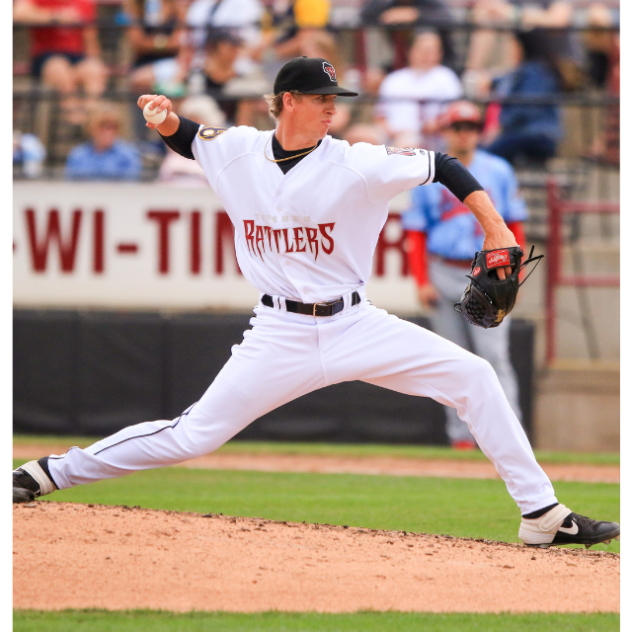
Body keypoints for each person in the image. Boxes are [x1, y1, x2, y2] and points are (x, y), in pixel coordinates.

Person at [14, 56, 619, 551]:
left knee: (476, 376)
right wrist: (164, 118)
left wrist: (497, 230)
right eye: (321, 96)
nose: (333, 106)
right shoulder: (239, 150)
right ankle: (48, 474)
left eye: (337, 97)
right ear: (287, 101)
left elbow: (445, 165)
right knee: (192, 436)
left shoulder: (357, 161)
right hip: (277, 332)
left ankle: (541, 513)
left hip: (356, 322)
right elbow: (190, 141)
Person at [402, 101, 526, 450]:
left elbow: (514, 222)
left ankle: (509, 436)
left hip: (489, 272)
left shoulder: (498, 170)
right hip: (444, 269)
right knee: (452, 361)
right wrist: (421, 280)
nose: (464, 133)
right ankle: (461, 439)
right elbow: (416, 232)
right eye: (457, 127)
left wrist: (513, 271)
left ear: (478, 130)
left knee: (495, 357)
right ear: (446, 131)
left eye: (470, 126)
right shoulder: (428, 173)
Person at [13, 0, 109, 124]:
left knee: (94, 70)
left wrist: (95, 59)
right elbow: (19, 14)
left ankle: (91, 120)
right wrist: (56, 17)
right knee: (59, 68)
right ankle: (76, 121)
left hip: (77, 57)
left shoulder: (84, 2)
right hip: (46, 54)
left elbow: (90, 37)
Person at [484, 29, 564, 166]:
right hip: (526, 134)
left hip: (535, 136)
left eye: (513, 45)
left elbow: (527, 107)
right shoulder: (529, 70)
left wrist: (502, 125)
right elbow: (505, 80)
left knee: (485, 155)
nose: (510, 51)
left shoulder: (536, 71)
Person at [374, 31, 462, 149]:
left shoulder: (446, 77)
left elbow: (455, 112)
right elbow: (380, 116)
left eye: (431, 51)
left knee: (408, 143)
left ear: (439, 54)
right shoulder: (393, 79)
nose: (426, 55)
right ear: (410, 51)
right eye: (422, 50)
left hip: (431, 136)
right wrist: (390, 131)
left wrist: (433, 126)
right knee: (361, 136)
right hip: (392, 133)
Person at [124, 0, 188, 95]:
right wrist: (165, 43)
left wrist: (151, 42)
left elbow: (177, 42)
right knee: (139, 80)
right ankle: (163, 87)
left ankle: (162, 88)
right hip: (143, 63)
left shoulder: (178, 9)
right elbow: (137, 43)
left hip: (172, 63)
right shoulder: (136, 8)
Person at [65, 103, 142, 180]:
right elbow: (71, 187)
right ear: (91, 127)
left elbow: (130, 188)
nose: (108, 131)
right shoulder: (78, 155)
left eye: (113, 126)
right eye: (103, 126)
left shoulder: (128, 155)